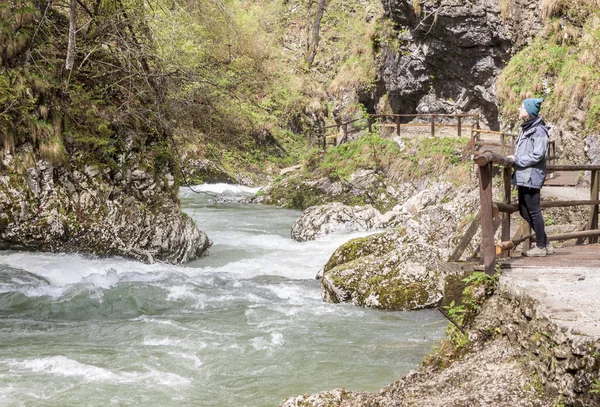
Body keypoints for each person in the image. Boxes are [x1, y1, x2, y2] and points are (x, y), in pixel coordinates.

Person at [507, 98, 553, 257]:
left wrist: (517, 160)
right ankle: (545, 244)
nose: (519, 109)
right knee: (524, 211)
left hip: (531, 176)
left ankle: (541, 247)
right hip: (523, 175)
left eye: (522, 107)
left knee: (533, 211)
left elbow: (538, 155)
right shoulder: (526, 128)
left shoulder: (538, 130)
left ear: (529, 111)